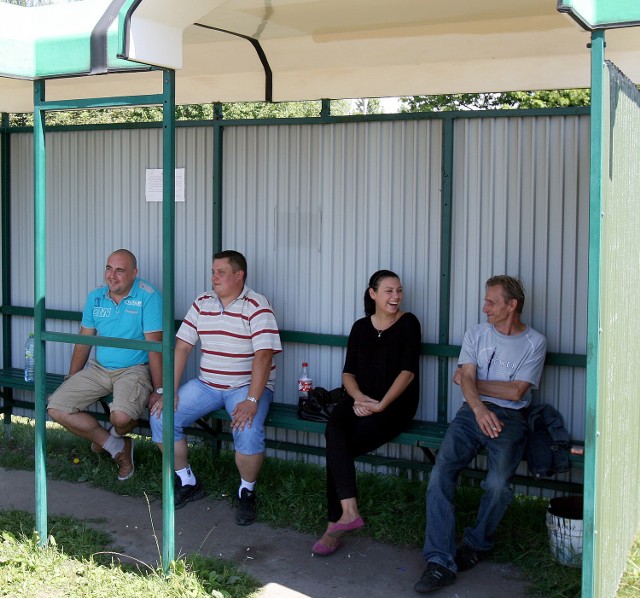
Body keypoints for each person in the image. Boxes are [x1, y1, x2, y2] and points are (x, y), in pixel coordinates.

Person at [414, 275, 547, 593]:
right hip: (471, 412)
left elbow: (516, 393)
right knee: (441, 473)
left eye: (491, 302)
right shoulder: (476, 333)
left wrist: (470, 382)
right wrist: (478, 407)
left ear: (511, 305)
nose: (484, 307)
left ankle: (476, 544)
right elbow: (471, 381)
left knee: (498, 484)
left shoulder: (535, 342)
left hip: (511, 418)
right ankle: (439, 561)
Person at [149, 250, 282, 523]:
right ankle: (187, 481)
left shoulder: (257, 305)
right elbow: (183, 346)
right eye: (212, 271)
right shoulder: (202, 302)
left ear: (239, 275)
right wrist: (169, 390)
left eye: (221, 272)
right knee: (161, 416)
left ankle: (247, 491)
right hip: (208, 384)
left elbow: (264, 356)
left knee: (247, 428)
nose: (214, 277)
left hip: (246, 387)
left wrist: (252, 400)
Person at [312, 270, 422, 556]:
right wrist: (359, 398)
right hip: (360, 399)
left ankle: (333, 527)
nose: (395, 296)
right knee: (334, 431)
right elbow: (348, 373)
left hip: (394, 405)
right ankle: (348, 512)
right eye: (388, 291)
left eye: (398, 290)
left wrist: (381, 404)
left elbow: (408, 373)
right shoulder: (361, 327)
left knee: (340, 448)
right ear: (373, 294)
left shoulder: (408, 323)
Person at [48, 249, 163, 481]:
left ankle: (113, 436)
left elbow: (155, 348)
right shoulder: (97, 296)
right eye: (109, 268)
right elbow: (84, 341)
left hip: (133, 370)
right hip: (99, 368)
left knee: (120, 418)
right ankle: (115, 446)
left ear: (134, 273)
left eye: (120, 270)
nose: (112, 275)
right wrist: (73, 376)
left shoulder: (148, 296)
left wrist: (159, 390)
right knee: (56, 407)